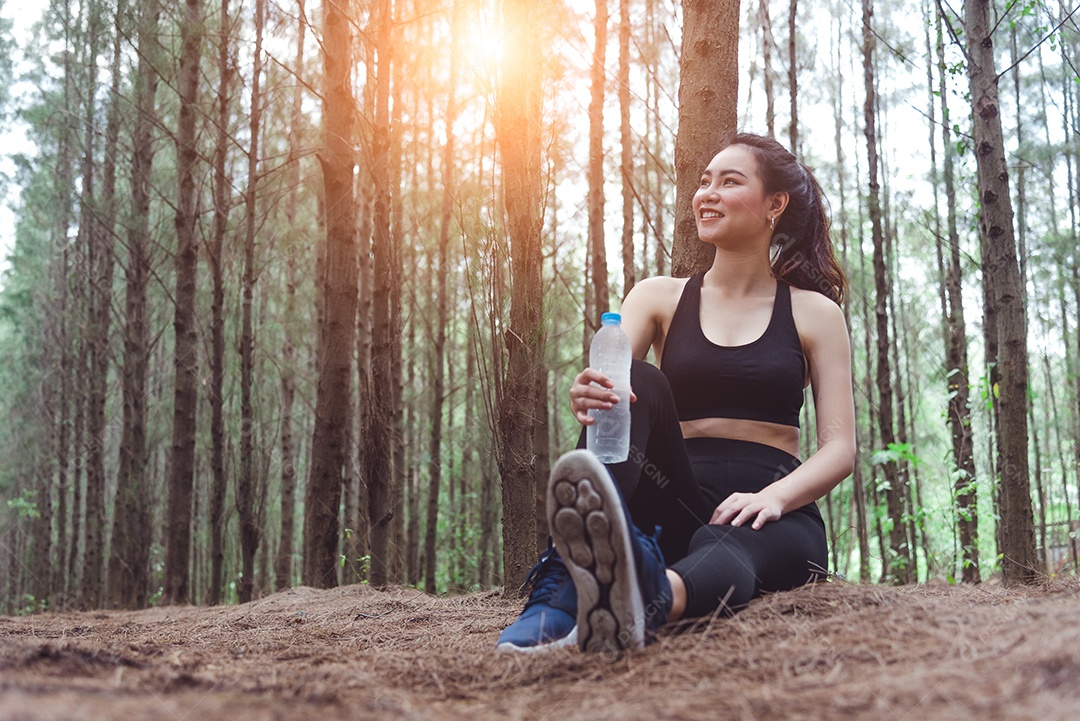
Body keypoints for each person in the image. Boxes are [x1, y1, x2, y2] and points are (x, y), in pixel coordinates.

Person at [496, 133, 855, 654]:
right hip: (672, 494)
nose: (707, 193)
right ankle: (563, 590)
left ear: (775, 204)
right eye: (704, 180)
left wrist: (773, 498)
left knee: (727, 545)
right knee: (631, 378)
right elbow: (614, 389)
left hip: (774, 507)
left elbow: (840, 449)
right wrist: (588, 391)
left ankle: (646, 599)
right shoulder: (657, 296)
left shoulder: (815, 312)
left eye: (730, 181)